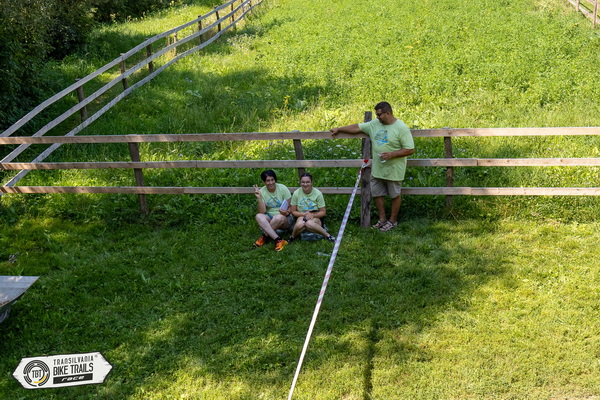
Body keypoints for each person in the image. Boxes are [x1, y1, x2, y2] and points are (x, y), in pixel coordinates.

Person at [330, 101, 414, 232]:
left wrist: (392, 154)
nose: (377, 117)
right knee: (377, 193)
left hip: (394, 169)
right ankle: (382, 219)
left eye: (379, 115)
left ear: (388, 113)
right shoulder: (374, 124)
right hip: (378, 168)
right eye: (377, 115)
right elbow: (357, 127)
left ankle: (393, 221)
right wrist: (339, 129)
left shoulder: (401, 128)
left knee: (394, 195)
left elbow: (410, 149)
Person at [288, 172, 335, 243]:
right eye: (303, 182)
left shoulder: (318, 193)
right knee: (300, 224)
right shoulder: (296, 193)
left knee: (309, 223)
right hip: (301, 215)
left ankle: (328, 235)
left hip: (315, 215)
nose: (305, 184)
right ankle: (292, 236)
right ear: (300, 183)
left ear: (311, 183)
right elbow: (293, 211)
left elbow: (323, 212)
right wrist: (304, 214)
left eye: (307, 182)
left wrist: (313, 215)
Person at [253, 169, 292, 251]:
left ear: (275, 180)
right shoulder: (262, 191)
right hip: (270, 217)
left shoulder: (283, 188)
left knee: (278, 217)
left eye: (272, 180)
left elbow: (291, 206)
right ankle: (278, 240)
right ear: (264, 182)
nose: (270, 183)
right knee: (258, 216)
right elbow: (262, 212)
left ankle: (264, 236)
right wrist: (259, 198)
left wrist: (287, 212)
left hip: (283, 217)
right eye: (268, 181)